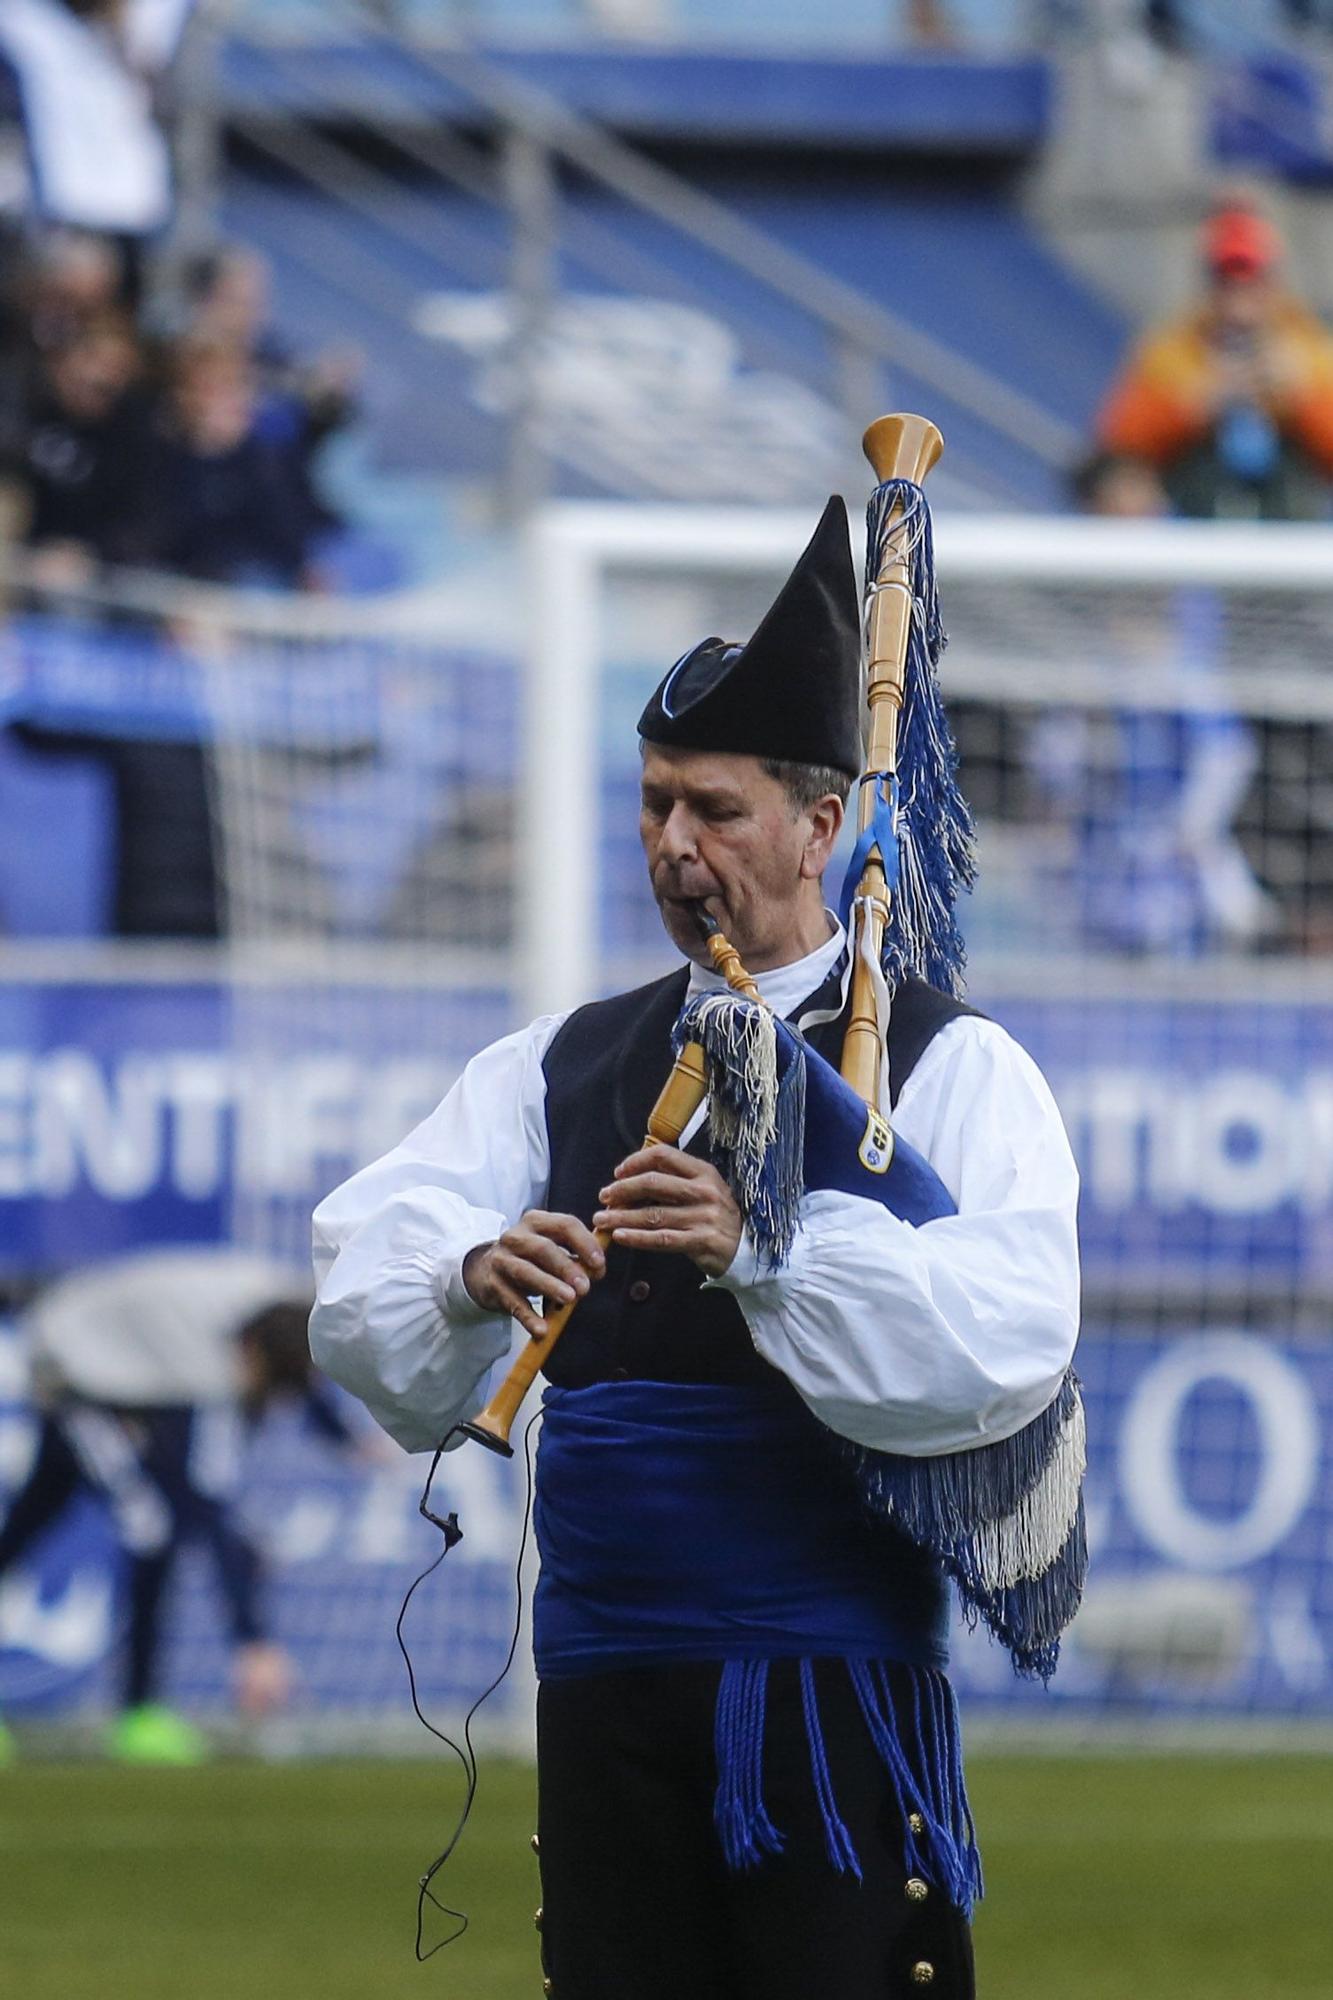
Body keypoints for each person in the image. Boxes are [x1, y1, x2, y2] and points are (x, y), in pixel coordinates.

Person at [310, 499, 1082, 1999]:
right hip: (601, 1688)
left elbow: (1006, 1341)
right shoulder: (565, 1062)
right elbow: (367, 1275)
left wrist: (769, 1252)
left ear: (816, 823)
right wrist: (472, 1276)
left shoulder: (948, 1066)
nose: (673, 846)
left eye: (714, 811)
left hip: (823, 1688)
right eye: (654, 804)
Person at [0, 1246, 355, 1765]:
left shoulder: (273, 1307)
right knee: (153, 1528)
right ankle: (138, 1714)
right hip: (72, 1370)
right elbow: (205, 1500)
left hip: (110, 1366)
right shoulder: (209, 1363)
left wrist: (343, 1438)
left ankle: (139, 1714)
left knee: (25, 1533)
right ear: (251, 1355)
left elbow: (296, 1374)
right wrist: (253, 1642)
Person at [1096, 199, 1333, 520]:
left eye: (1252, 280)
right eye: (1227, 282)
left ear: (1272, 282)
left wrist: (1300, 396)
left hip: (1290, 534)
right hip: (1194, 528)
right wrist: (1197, 404)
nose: (1239, 299)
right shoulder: (1174, 350)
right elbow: (1118, 451)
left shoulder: (1308, 346)